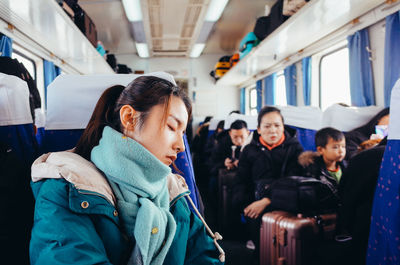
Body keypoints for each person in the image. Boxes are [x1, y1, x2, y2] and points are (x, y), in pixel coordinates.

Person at [29, 75, 224, 265]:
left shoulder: (173, 191)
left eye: (183, 133)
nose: (181, 145)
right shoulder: (66, 187)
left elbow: (203, 256)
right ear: (129, 118)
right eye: (172, 127)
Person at [233, 106, 303, 253]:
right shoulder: (249, 151)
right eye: (267, 126)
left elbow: (293, 182)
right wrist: (245, 206)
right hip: (255, 201)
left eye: (277, 125)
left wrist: (267, 201)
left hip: (287, 202)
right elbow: (241, 181)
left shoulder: (294, 149)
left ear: (283, 127)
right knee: (263, 249)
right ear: (258, 129)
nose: (273, 130)